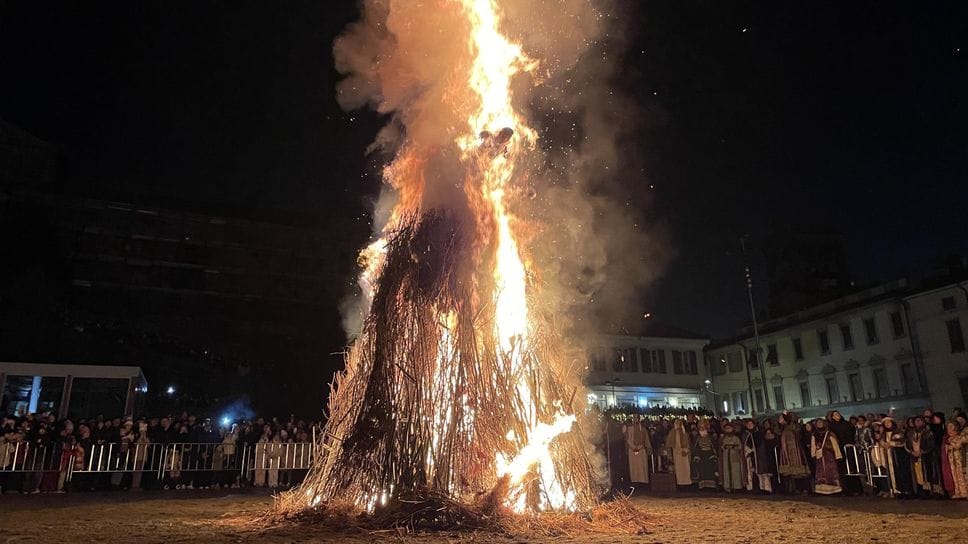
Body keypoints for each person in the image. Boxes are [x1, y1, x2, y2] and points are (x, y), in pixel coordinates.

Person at [906, 416, 940, 497]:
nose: (918, 422)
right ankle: (919, 490)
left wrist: (922, 451)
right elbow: (906, 444)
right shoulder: (910, 433)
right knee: (917, 474)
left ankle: (929, 491)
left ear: (923, 422)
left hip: (926, 457)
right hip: (914, 456)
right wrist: (911, 452)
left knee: (927, 473)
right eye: (916, 421)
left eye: (919, 421)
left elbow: (931, 444)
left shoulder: (928, 432)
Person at [777, 413, 810, 493]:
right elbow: (777, 432)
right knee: (790, 473)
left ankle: (804, 488)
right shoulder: (783, 428)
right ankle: (794, 489)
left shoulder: (794, 427)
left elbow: (798, 434)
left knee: (799, 471)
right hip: (786, 451)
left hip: (795, 450)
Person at [810, 418, 842, 494]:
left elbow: (835, 444)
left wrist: (838, 455)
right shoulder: (815, 434)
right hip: (820, 455)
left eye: (820, 422)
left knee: (831, 472)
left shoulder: (829, 433)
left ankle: (835, 490)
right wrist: (813, 454)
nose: (819, 424)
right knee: (821, 473)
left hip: (829, 455)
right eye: (818, 423)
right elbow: (813, 445)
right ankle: (822, 490)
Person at [941, 420, 968, 499]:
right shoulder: (948, 438)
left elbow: (958, 445)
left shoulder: (961, 436)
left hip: (961, 459)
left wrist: (951, 443)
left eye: (951, 426)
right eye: (948, 427)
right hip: (952, 460)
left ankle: (965, 492)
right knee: (954, 475)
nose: (949, 429)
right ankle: (958, 492)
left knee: (962, 475)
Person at [624, 414, 652, 488]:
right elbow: (627, 439)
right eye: (634, 418)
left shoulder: (643, 429)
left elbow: (646, 440)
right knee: (633, 467)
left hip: (641, 449)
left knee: (641, 466)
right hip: (632, 450)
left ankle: (642, 482)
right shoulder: (629, 429)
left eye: (637, 418)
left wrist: (640, 447)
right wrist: (633, 447)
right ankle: (634, 482)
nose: (636, 419)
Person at [663, 419, 692, 486]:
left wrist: (685, 450)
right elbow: (668, 444)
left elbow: (688, 445)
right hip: (676, 453)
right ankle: (679, 483)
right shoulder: (672, 432)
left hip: (685, 453)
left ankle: (687, 483)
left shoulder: (685, 433)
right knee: (678, 469)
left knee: (686, 469)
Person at [691, 422, 719, 489]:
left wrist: (713, 455)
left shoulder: (711, 438)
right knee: (702, 471)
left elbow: (714, 447)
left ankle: (711, 486)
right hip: (701, 456)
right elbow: (696, 448)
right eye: (701, 428)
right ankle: (703, 486)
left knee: (710, 471)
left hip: (709, 456)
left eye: (704, 428)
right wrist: (697, 456)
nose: (702, 429)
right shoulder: (697, 438)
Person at [720, 423, 744, 492]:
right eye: (726, 428)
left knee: (735, 472)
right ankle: (727, 487)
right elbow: (721, 447)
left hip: (734, 457)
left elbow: (740, 447)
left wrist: (733, 447)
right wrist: (725, 447)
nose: (728, 430)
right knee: (726, 472)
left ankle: (736, 487)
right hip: (726, 457)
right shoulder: (723, 438)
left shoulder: (736, 438)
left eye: (729, 428)